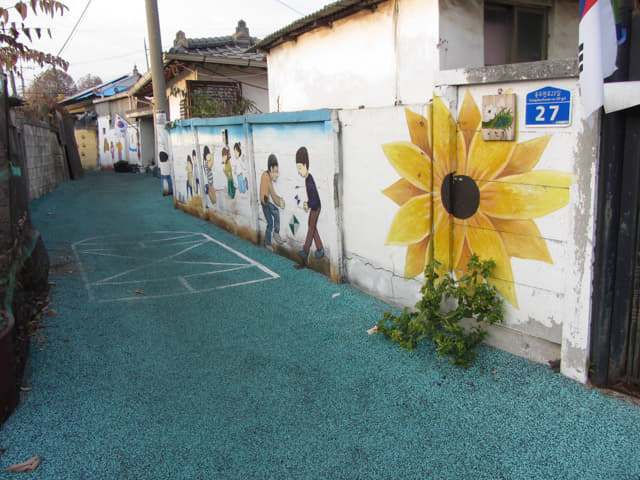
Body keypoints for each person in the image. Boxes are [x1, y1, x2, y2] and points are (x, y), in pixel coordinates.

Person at [295, 146, 324, 262]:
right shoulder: (307, 179)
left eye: (300, 168)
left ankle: (305, 251)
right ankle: (320, 248)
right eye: (298, 169)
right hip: (315, 206)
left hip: (316, 206)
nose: (299, 171)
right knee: (312, 226)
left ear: (306, 165)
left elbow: (315, 199)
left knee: (311, 227)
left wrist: (308, 204)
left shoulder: (310, 180)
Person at [259, 154, 285, 251]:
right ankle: (270, 240)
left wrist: (278, 200)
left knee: (274, 215)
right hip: (265, 203)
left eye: (277, 172)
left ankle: (274, 235)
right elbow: (273, 195)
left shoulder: (266, 175)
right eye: (274, 171)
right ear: (270, 169)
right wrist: (280, 201)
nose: (276, 174)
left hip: (266, 202)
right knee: (270, 222)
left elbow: (272, 195)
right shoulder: (266, 177)